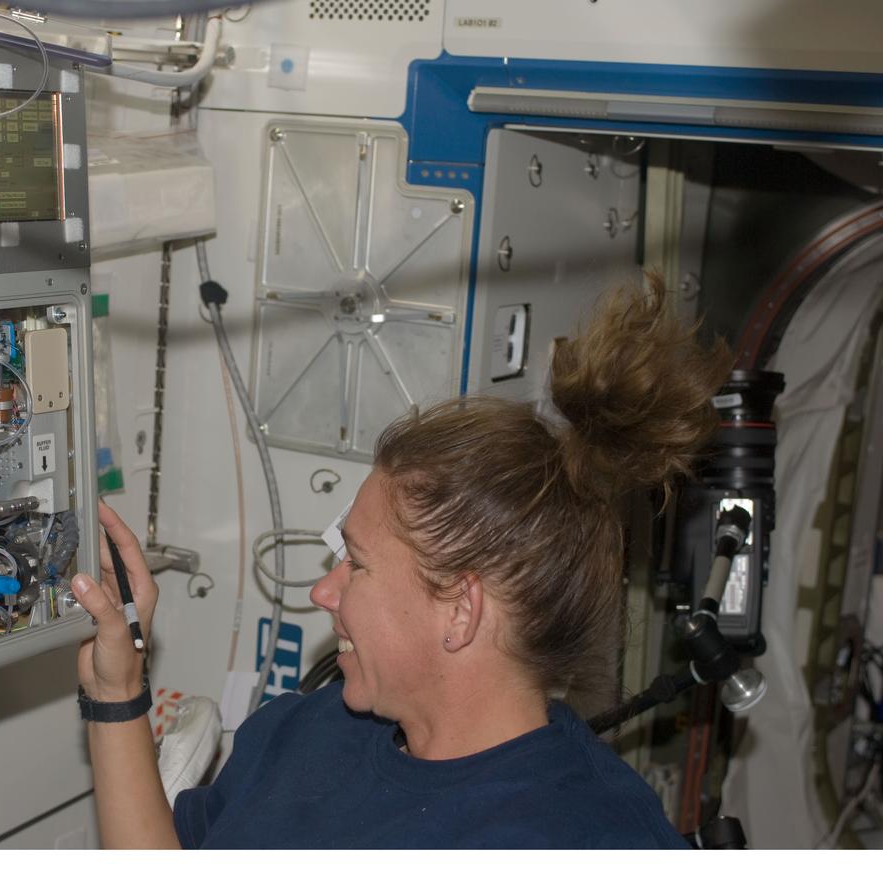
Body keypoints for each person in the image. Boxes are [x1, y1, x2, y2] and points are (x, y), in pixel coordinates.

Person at [68, 278, 731, 848]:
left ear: (461, 610)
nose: (325, 592)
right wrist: (116, 691)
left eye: (355, 564)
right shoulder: (305, 734)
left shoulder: (589, 836)